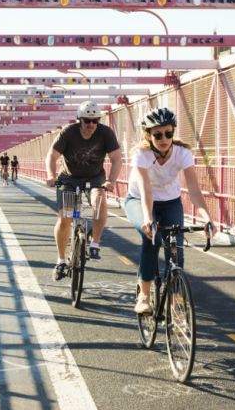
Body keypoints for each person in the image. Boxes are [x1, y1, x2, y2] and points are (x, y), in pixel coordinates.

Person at [123, 107, 213, 314]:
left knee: (176, 251)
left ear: (173, 132)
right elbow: (146, 190)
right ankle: (144, 296)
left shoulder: (183, 154)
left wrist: (207, 219)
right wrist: (148, 218)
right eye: (158, 135)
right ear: (148, 135)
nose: (164, 138)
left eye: (168, 133)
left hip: (170, 201)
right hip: (138, 200)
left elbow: (194, 190)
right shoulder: (142, 154)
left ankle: (174, 298)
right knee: (151, 238)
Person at [45, 100, 123, 281]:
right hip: (69, 179)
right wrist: (51, 174)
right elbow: (52, 155)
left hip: (95, 178)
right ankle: (61, 260)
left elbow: (117, 158)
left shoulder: (106, 133)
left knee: (100, 199)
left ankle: (95, 243)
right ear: (79, 119)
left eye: (95, 120)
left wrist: (111, 181)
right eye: (87, 120)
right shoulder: (68, 133)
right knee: (65, 218)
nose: (91, 125)